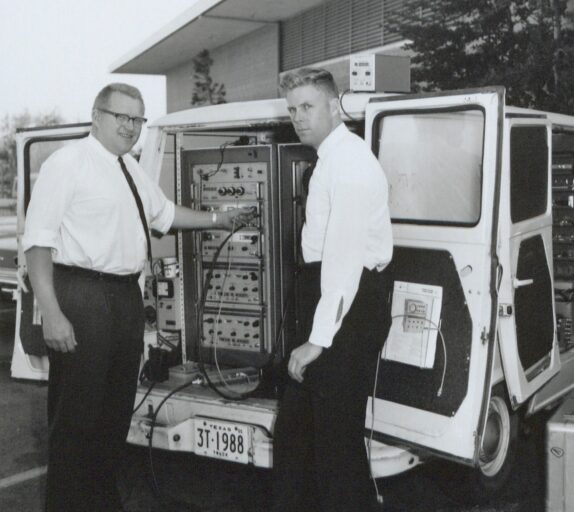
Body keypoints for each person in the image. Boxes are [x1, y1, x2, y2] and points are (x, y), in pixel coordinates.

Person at [22, 82, 256, 512]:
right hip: (82, 296)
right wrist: (52, 314)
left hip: (124, 298)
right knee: (76, 422)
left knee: (113, 420)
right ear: (97, 116)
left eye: (138, 119)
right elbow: (37, 244)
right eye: (122, 117)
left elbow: (165, 214)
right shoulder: (67, 163)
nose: (131, 127)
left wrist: (219, 219)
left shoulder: (129, 168)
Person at [271, 68, 393, 512]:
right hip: (332, 303)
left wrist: (318, 341)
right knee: (297, 438)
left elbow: (343, 262)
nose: (299, 118)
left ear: (333, 104)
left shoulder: (351, 163)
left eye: (307, 107)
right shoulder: (331, 158)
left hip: (348, 308)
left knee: (334, 447)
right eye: (292, 109)